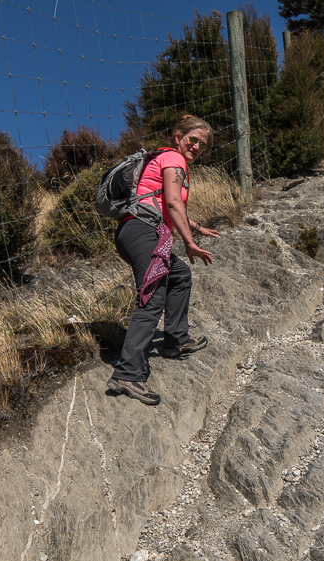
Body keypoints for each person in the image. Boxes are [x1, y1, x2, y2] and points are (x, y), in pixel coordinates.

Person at [107, 115, 219, 405]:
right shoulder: (173, 158)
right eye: (192, 139)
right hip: (142, 231)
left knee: (179, 274)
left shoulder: (167, 159)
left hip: (141, 230)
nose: (196, 147)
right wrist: (190, 243)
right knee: (152, 296)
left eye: (202, 145)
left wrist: (195, 227)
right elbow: (170, 201)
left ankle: (175, 339)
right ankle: (128, 374)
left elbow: (163, 202)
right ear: (178, 136)